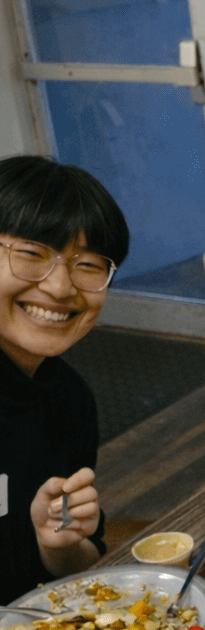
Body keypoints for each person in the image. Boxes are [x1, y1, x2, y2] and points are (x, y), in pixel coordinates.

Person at [0, 155, 130, 604]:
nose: (59, 287)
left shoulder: (70, 398)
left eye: (89, 265)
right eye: (32, 254)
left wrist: (58, 542)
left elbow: (73, 566)